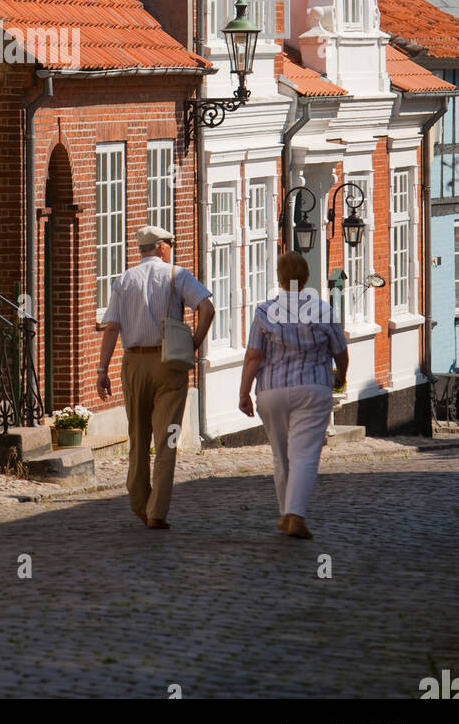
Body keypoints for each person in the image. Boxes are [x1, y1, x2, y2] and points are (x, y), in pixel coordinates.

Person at [97, 225, 215, 530]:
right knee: (167, 439)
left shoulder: (123, 280)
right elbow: (207, 308)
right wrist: (194, 343)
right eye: (170, 245)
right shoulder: (177, 275)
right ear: (162, 248)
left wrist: (101, 369)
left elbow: (111, 328)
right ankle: (157, 511)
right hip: (170, 363)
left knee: (138, 437)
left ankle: (139, 502)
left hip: (133, 363)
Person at [239, 250, 349, 539]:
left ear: (279, 277)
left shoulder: (264, 312)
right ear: (306, 276)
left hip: (271, 390)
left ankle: (286, 514)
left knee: (281, 455)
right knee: (304, 454)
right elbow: (340, 352)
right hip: (313, 388)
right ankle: (294, 515)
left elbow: (253, 356)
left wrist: (243, 392)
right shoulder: (324, 310)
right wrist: (340, 376)